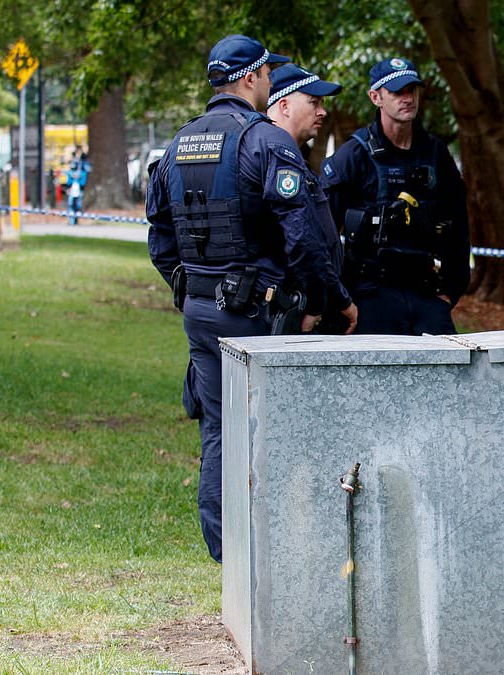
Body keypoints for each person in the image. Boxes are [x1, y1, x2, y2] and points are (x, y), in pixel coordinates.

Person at [147, 34, 346, 563]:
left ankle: (227, 551)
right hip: (256, 313)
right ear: (254, 77)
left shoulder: (178, 144)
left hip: (200, 313)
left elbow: (161, 242)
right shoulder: (265, 142)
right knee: (274, 430)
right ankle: (276, 553)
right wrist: (326, 302)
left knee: (218, 429)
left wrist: (193, 288)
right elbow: (303, 239)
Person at [320, 57, 470, 335]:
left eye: (411, 90)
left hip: (426, 291)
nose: (407, 98)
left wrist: (451, 290)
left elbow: (459, 227)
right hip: (371, 293)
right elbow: (323, 229)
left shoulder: (436, 153)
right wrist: (339, 297)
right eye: (397, 92)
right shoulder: (354, 155)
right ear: (375, 97)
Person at [267, 63, 358, 333]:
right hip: (291, 309)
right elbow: (302, 242)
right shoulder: (277, 158)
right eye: (313, 102)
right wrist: (320, 304)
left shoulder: (294, 159)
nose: (323, 111)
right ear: (284, 106)